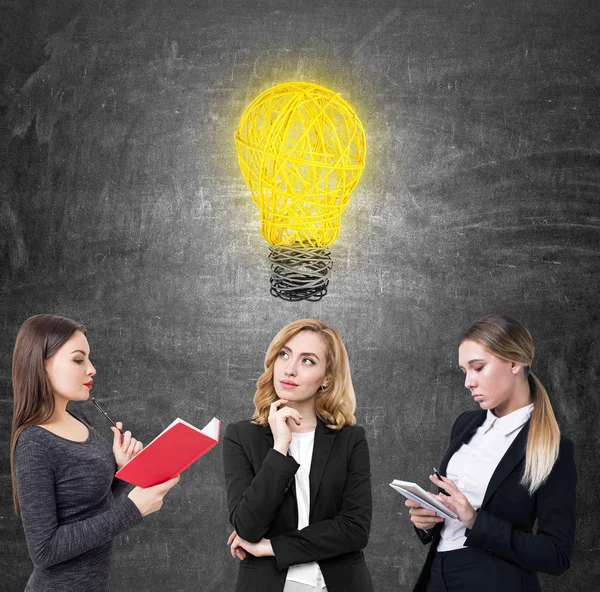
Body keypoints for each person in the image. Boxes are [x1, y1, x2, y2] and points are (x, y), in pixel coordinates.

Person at [406, 314, 576, 592]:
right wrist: (427, 521)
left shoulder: (554, 449)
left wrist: (474, 520)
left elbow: (556, 555)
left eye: (478, 368)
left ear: (514, 363)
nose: (468, 382)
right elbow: (451, 518)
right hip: (436, 575)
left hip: (495, 581)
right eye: (464, 371)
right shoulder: (465, 424)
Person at [10, 314, 179, 592]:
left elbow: (91, 508)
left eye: (88, 359)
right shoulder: (34, 443)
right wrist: (132, 510)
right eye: (79, 360)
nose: (92, 369)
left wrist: (123, 472)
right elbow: (44, 551)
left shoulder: (77, 419)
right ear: (41, 365)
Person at [223, 319, 373, 592]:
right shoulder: (242, 436)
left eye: (308, 361)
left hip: (341, 583)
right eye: (284, 354)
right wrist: (280, 446)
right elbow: (247, 526)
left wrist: (274, 546)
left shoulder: (350, 439)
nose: (290, 369)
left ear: (327, 377)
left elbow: (354, 529)